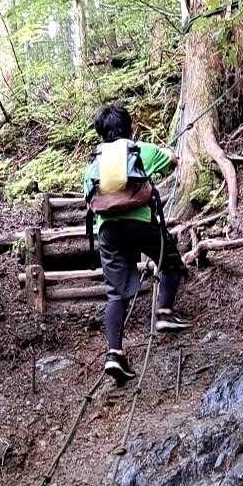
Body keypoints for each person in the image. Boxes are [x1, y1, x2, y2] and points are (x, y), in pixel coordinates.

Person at [83, 103, 190, 386]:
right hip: (141, 224)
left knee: (115, 294)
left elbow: (88, 197)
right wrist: (167, 153)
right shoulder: (140, 150)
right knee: (170, 261)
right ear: (130, 127)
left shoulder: (94, 162)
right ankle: (165, 312)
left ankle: (114, 354)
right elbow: (173, 160)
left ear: (101, 133)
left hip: (108, 232)